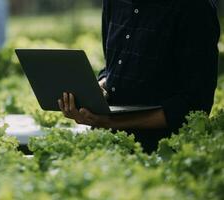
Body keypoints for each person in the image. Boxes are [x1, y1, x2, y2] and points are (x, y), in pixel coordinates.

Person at [58, 0, 220, 153]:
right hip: (105, 144)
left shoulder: (195, 7)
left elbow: (195, 105)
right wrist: (100, 88)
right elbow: (113, 66)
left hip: (162, 152)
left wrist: (111, 123)